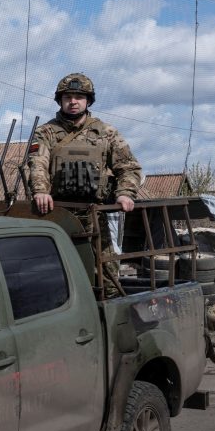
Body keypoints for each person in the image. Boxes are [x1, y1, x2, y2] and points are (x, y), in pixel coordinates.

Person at [27, 72, 143, 296]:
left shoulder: (106, 133)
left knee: (107, 273)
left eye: (79, 97)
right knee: (58, 272)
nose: (73, 101)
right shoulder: (46, 132)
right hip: (57, 213)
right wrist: (41, 191)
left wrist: (125, 193)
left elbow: (128, 166)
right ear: (60, 100)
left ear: (88, 101)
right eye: (67, 97)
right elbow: (37, 163)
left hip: (95, 214)